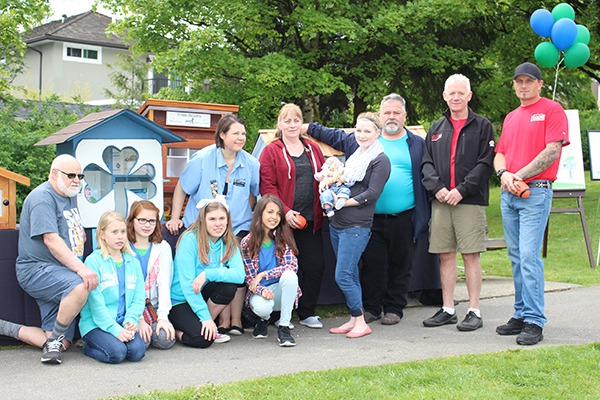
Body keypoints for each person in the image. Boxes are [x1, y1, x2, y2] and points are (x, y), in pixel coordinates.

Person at [305, 94, 432, 326]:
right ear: (380, 117)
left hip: (404, 215)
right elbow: (333, 135)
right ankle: (371, 308)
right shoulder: (362, 140)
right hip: (369, 217)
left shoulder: (417, 144)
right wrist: (305, 126)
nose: (391, 117)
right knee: (372, 264)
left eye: (396, 112)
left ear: (405, 116)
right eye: (387, 113)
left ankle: (394, 308)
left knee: (401, 263)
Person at [494, 62, 569, 345]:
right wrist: (504, 174)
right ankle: (521, 313)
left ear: (540, 84)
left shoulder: (552, 110)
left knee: (528, 256)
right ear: (514, 85)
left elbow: (552, 151)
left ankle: (535, 321)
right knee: (516, 257)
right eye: (519, 81)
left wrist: (518, 176)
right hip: (509, 193)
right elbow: (500, 153)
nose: (523, 85)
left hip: (535, 192)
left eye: (529, 81)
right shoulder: (511, 117)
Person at [164, 113, 259, 336]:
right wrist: (175, 217)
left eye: (244, 134)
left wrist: (248, 220)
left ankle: (233, 321)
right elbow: (182, 188)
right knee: (204, 269)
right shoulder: (202, 159)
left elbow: (254, 194)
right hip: (202, 227)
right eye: (235, 133)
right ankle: (206, 322)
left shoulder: (251, 163)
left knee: (233, 273)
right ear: (222, 135)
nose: (241, 138)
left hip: (235, 227)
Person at [0, 154, 97, 364]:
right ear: (54, 173)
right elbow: (51, 240)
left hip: (60, 272)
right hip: (38, 271)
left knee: (63, 343)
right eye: (71, 175)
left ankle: (43, 338)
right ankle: (54, 341)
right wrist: (81, 269)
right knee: (81, 285)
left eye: (80, 176)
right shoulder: (42, 198)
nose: (77, 180)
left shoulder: (69, 193)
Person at [421, 74, 495, 331]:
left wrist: (461, 191)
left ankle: (474, 310)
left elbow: (485, 164)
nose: (455, 97)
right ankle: (448, 308)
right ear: (444, 95)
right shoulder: (436, 128)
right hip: (441, 202)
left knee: (471, 254)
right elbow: (426, 163)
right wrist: (438, 188)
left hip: (469, 201)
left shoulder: (483, 126)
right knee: (445, 255)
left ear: (469, 96)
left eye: (460, 93)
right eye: (451, 93)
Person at [259, 103, 326, 329]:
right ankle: (279, 315)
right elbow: (267, 186)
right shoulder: (271, 150)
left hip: (311, 220)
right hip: (283, 223)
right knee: (284, 269)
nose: (292, 125)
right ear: (280, 124)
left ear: (301, 124)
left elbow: (324, 177)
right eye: (287, 121)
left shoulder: (313, 149)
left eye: (296, 120)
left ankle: (306, 312)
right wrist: (285, 212)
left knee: (315, 266)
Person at [326, 112, 391, 338]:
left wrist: (343, 202)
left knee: (342, 275)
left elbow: (372, 194)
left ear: (377, 133)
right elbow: (342, 180)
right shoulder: (355, 155)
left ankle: (361, 322)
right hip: (337, 223)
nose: (361, 135)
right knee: (351, 273)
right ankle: (354, 317)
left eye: (367, 131)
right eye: (358, 130)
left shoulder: (381, 160)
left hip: (356, 226)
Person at [170, 198, 246, 348]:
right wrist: (204, 317)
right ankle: (176, 332)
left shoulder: (229, 241)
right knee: (202, 340)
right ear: (202, 220)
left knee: (229, 286)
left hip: (202, 294)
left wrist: (208, 274)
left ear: (227, 220)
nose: (218, 224)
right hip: (181, 300)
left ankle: (207, 325)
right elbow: (187, 285)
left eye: (222, 218)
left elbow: (239, 276)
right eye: (212, 219)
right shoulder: (189, 239)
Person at [79, 211, 146, 364]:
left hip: (122, 321)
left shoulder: (133, 262)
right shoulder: (93, 262)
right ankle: (87, 346)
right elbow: (96, 304)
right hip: (96, 324)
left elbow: (138, 297)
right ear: (102, 234)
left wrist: (131, 320)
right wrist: (116, 331)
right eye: (114, 232)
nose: (120, 236)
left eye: (123, 232)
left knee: (137, 353)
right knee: (117, 353)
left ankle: (117, 338)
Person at [241, 195, 300, 347]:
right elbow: (250, 278)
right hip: (261, 291)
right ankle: (263, 319)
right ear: (260, 214)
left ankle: (284, 327)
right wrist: (262, 290)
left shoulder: (283, 238)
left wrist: (264, 274)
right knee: (262, 307)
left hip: (281, 290)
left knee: (290, 276)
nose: (274, 217)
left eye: (278, 213)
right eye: (270, 212)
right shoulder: (247, 242)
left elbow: (291, 266)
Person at [126, 200, 176, 349]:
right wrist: (138, 319)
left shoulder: (163, 247)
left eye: (152, 221)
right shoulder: (124, 246)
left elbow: (165, 284)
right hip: (129, 309)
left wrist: (163, 317)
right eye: (142, 220)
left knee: (165, 339)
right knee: (142, 341)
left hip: (153, 307)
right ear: (132, 221)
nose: (147, 225)